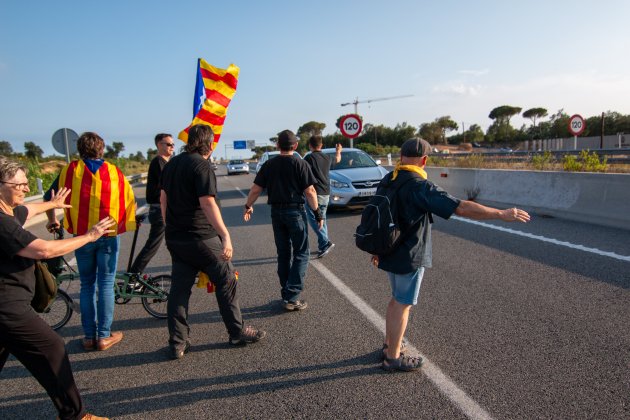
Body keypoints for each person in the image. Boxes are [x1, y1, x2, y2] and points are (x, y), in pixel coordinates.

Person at [372, 137, 531, 372]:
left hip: (388, 249)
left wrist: (376, 251)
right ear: (424, 160)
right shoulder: (419, 185)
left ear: (401, 156)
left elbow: (381, 217)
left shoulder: (389, 178)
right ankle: (393, 357)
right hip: (409, 253)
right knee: (403, 304)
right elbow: (461, 207)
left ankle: (389, 345)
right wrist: (500, 213)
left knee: (396, 299)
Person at [0, 156, 114, 420]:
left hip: (8, 307)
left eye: (27, 184)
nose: (26, 189)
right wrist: (90, 236)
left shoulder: (10, 211)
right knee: (52, 347)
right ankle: (76, 415)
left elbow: (29, 210)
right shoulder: (2, 222)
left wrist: (51, 204)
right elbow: (44, 250)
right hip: (8, 308)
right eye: (20, 185)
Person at [160, 124, 266, 360]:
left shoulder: (172, 164)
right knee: (226, 280)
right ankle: (237, 332)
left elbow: (163, 198)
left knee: (179, 291)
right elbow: (207, 203)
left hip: (176, 238)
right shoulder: (202, 165)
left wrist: (169, 226)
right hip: (202, 238)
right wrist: (225, 235)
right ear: (209, 143)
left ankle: (177, 343)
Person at [45, 132, 136, 352]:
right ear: (102, 149)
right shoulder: (114, 171)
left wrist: (53, 221)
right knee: (106, 284)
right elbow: (129, 199)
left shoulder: (69, 171)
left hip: (81, 236)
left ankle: (88, 337)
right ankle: (104, 336)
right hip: (107, 236)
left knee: (87, 284)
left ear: (80, 149)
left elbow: (50, 197)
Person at [243, 129, 324, 311]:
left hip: (276, 214)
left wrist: (248, 205)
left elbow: (256, 189)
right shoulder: (300, 163)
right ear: (295, 146)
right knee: (302, 253)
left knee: (283, 253)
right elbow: (310, 191)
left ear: (278, 145)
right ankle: (292, 296)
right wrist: (318, 213)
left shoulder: (269, 165)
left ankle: (286, 293)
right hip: (295, 212)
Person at [128, 133, 174, 274]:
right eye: (168, 144)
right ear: (159, 145)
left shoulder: (165, 162)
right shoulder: (159, 162)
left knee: (177, 241)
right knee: (153, 245)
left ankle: (185, 270)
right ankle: (134, 274)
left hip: (163, 209)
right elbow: (166, 187)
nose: (172, 147)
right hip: (160, 210)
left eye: (173, 144)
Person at [303, 135, 341, 258]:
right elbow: (338, 159)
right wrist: (338, 151)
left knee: (314, 220)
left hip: (314, 193)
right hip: (326, 193)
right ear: (321, 145)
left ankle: (325, 242)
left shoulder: (308, 158)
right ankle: (322, 246)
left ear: (310, 145)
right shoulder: (327, 157)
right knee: (321, 219)